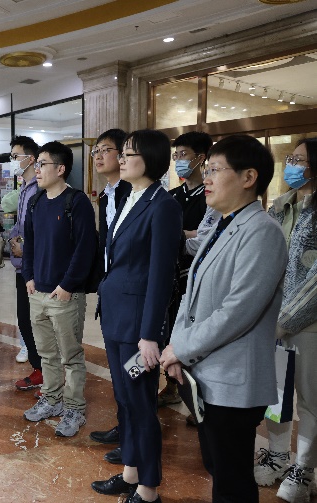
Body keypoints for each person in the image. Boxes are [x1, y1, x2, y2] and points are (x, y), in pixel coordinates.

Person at [160, 134, 288, 503]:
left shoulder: (262, 232)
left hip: (234, 378)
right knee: (217, 467)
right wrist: (177, 346)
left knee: (232, 481)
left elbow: (238, 311)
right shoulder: (222, 225)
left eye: (216, 169)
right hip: (207, 373)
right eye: (207, 169)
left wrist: (180, 347)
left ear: (249, 177)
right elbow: (191, 294)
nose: (207, 177)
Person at [91, 130, 182, 503]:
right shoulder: (130, 196)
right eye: (123, 153)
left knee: (141, 404)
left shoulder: (163, 205)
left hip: (137, 329)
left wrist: (150, 335)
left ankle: (148, 488)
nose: (121, 159)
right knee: (125, 398)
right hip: (116, 318)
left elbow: (161, 276)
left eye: (129, 154)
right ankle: (130, 471)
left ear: (152, 159)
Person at [253, 137, 317, 503]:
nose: (292, 165)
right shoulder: (280, 205)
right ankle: (278, 457)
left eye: (300, 160)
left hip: (310, 322)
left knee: (310, 399)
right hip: (274, 317)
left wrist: (290, 317)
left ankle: (303, 469)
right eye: (291, 158)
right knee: (276, 393)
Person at [21, 141, 97, 437]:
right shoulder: (36, 202)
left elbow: (85, 248)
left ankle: (74, 408)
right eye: (37, 164)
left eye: (42, 164)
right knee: (46, 354)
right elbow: (29, 243)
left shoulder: (76, 202)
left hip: (65, 295)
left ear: (61, 168)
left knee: (70, 355)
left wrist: (67, 285)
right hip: (37, 292)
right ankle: (52, 400)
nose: (37, 169)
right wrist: (29, 276)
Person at [158, 131, 212, 409]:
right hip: (173, 276)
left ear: (200, 158)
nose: (178, 160)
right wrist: (188, 234)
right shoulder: (172, 196)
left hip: (200, 277)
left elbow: (207, 238)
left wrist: (180, 235)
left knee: (197, 337)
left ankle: (200, 397)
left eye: (183, 155)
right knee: (172, 332)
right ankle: (173, 386)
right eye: (175, 155)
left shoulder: (210, 196)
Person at [87, 128, 130, 462]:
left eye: (106, 150)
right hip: (111, 287)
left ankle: (134, 438)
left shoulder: (135, 193)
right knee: (117, 368)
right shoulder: (106, 195)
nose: (99, 156)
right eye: (96, 151)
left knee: (132, 370)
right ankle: (124, 426)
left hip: (131, 291)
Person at [6, 136, 43, 392]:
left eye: (15, 157)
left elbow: (43, 231)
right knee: (25, 320)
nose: (12, 162)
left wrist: (25, 247)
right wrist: (13, 239)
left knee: (37, 323)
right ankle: (39, 368)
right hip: (22, 265)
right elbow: (21, 225)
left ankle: (46, 372)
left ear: (30, 159)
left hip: (35, 266)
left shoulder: (38, 188)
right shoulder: (24, 188)